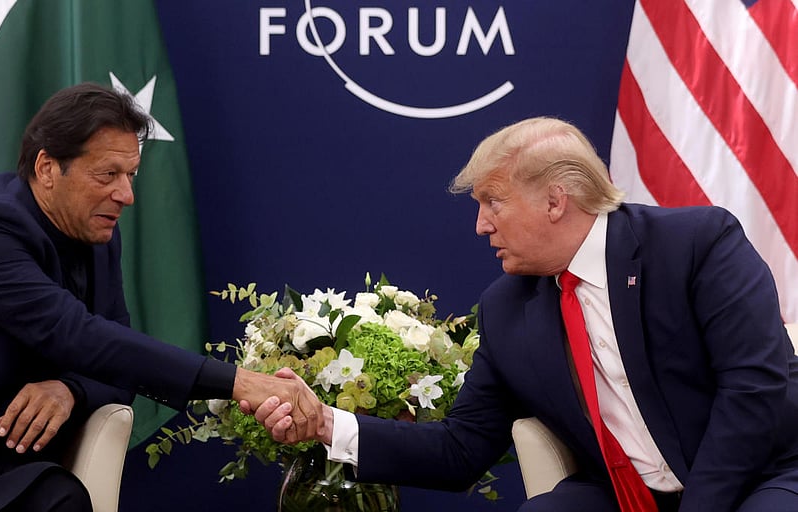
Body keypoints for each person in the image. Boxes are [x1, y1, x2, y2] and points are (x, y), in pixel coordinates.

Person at [251, 116, 798, 511]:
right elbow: (459, 449)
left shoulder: (696, 244)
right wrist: (325, 423)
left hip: (758, 478)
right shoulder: (508, 308)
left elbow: (753, 389)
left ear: (555, 201)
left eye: (493, 202)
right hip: (625, 497)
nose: (481, 226)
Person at [0, 82, 321, 511]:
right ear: (47, 167)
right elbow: (79, 335)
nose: (126, 195)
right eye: (108, 175)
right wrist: (240, 382)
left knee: (63, 497)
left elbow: (116, 359)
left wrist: (71, 390)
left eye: (130, 175)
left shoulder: (95, 230)